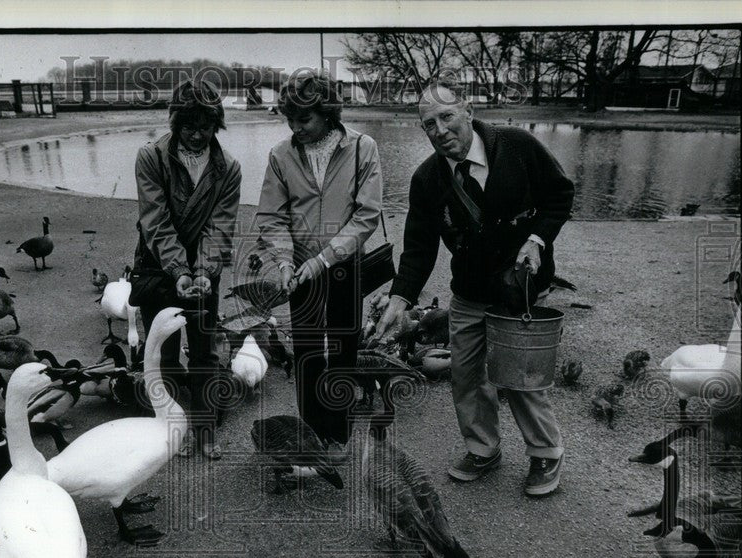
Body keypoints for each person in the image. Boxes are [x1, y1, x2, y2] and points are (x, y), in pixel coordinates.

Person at [372, 79, 574, 496]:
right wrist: (399, 297)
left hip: (519, 286)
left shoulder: (518, 146)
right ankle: (483, 448)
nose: (440, 130)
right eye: (429, 124)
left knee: (516, 375)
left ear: (467, 109)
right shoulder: (427, 179)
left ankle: (546, 454)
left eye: (447, 117)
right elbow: (420, 246)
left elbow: (560, 194)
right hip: (468, 290)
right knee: (464, 374)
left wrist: (536, 239)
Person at [255, 70, 383, 460]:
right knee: (307, 351)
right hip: (297, 270)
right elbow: (273, 217)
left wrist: (324, 259)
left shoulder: (364, 148)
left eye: (304, 119)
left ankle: (339, 434)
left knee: (343, 347)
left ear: (327, 113)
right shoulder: (280, 155)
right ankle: (311, 434)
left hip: (344, 264)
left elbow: (367, 215)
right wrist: (282, 262)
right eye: (290, 120)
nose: (296, 128)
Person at [132, 78, 241, 460]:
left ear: (217, 125)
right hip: (157, 264)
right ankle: (176, 429)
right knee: (164, 351)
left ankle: (206, 428)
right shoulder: (151, 157)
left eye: (206, 127)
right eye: (189, 126)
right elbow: (156, 219)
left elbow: (221, 225)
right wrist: (178, 269)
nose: (197, 135)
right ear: (175, 123)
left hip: (203, 271)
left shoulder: (229, 168)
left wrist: (202, 273)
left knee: (204, 351)